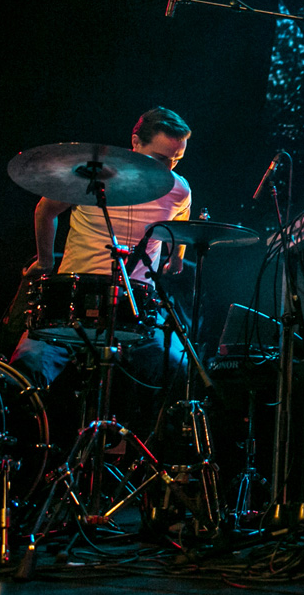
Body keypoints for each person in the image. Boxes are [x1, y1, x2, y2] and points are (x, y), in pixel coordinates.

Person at [10, 107, 193, 388]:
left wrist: (176, 259)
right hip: (76, 299)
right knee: (25, 369)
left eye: (176, 160)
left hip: (136, 306)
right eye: (160, 159)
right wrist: (45, 263)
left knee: (180, 371)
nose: (168, 169)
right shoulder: (92, 175)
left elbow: (181, 224)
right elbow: (45, 211)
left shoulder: (179, 189)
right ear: (135, 142)